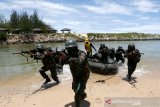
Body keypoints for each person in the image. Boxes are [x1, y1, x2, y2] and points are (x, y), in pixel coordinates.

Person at [65, 39, 90, 106]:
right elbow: (62, 63)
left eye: (71, 49)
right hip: (75, 75)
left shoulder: (82, 54)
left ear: (75, 48)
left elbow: (80, 62)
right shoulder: (69, 55)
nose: (69, 51)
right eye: (68, 49)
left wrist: (68, 58)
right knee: (74, 88)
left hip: (83, 75)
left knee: (77, 95)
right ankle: (83, 93)